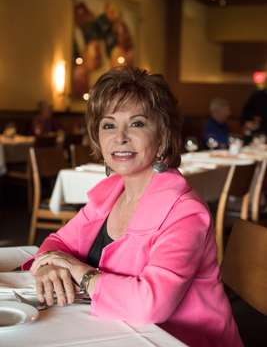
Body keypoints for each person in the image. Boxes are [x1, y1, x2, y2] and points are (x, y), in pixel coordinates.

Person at [23, 67, 243, 347]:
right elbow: (56, 242)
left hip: (181, 341)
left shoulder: (186, 212)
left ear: (162, 136)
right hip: (118, 333)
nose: (120, 136)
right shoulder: (110, 195)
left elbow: (149, 304)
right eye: (108, 125)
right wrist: (46, 268)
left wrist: (80, 272)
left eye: (137, 123)